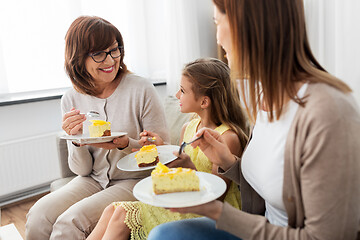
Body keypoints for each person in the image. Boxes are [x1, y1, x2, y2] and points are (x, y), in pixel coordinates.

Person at [147, 0, 360, 240]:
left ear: (245, 28)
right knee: (163, 234)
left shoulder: (329, 112)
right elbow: (267, 188)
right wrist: (228, 163)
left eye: (218, 22)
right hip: (259, 228)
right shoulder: (265, 99)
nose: (217, 38)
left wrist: (215, 210)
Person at [25, 16, 169, 240]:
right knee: (38, 216)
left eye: (114, 50)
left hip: (135, 180)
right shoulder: (71, 98)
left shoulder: (141, 88)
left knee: (69, 224)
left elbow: (163, 153)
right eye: (99, 54)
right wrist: (75, 140)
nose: (110, 60)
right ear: (78, 58)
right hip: (91, 179)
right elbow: (82, 170)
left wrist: (126, 144)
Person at [86, 58, 249, 240]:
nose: (177, 95)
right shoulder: (188, 128)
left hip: (211, 213)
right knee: (112, 209)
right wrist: (160, 149)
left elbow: (215, 198)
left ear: (204, 102)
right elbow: (177, 170)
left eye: (183, 90)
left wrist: (189, 166)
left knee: (122, 214)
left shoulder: (227, 137)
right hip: (184, 199)